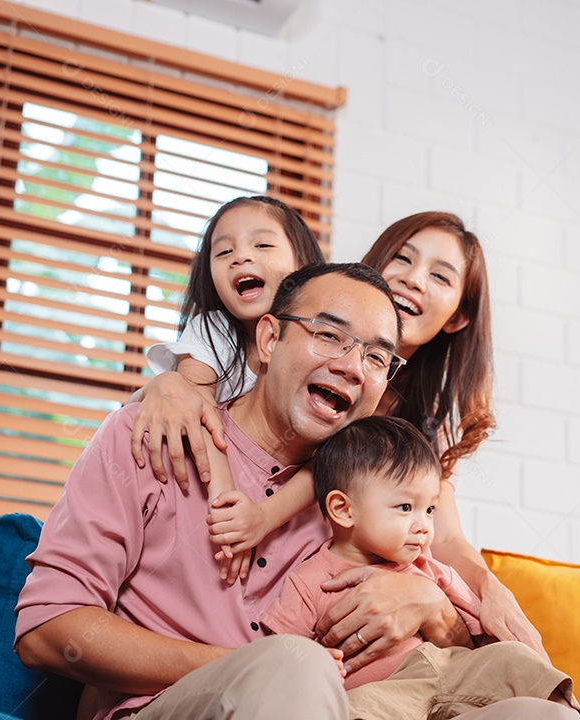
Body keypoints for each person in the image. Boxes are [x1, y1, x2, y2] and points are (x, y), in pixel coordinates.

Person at [16, 263, 475, 720]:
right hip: (163, 710)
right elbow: (47, 629)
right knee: (296, 665)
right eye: (329, 335)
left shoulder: (376, 502)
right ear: (270, 340)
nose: (353, 367)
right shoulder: (148, 434)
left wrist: (434, 609)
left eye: (376, 357)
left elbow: (464, 662)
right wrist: (245, 667)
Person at [133, 211, 544, 654]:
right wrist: (167, 383)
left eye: (440, 276)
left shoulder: (422, 421)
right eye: (402, 259)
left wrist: (489, 588)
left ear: (458, 316)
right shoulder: (286, 354)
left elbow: (443, 536)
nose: (414, 280)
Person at [261, 416, 580, 720]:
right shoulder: (309, 581)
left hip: (449, 670)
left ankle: (566, 710)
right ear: (344, 510)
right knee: (355, 708)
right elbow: (281, 654)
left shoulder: (429, 569)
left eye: (429, 509)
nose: (424, 526)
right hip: (384, 693)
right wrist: (316, 662)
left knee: (513, 658)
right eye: (405, 507)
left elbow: (473, 642)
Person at [132, 195, 325, 581]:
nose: (240, 257)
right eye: (223, 252)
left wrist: (262, 518)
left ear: (302, 267)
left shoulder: (320, 349)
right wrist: (226, 507)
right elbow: (197, 405)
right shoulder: (213, 330)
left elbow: (333, 461)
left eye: (262, 244)